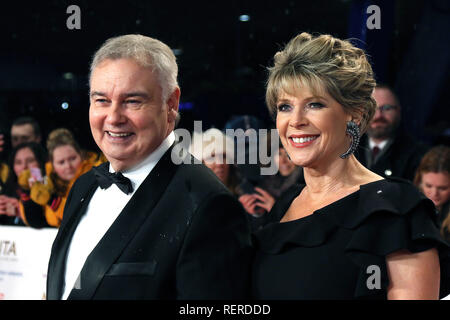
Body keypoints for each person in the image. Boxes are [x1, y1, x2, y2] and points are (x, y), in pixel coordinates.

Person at [46, 34, 252, 300]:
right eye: (101, 100)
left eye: (132, 101)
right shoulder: (83, 186)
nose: (113, 117)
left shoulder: (208, 205)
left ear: (171, 104)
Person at [252, 32, 449, 299]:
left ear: (353, 114)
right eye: (285, 107)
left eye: (314, 104)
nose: (295, 121)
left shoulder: (397, 209)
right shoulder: (285, 204)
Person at [20, 128, 104, 228]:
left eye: (72, 159)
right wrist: (27, 192)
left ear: (81, 155)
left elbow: (80, 217)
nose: (68, 166)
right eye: (61, 162)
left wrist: (51, 200)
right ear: (53, 165)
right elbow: (34, 221)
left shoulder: (97, 175)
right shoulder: (45, 176)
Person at [355, 84, 428, 181]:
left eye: (387, 108)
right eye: (372, 108)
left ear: (398, 111)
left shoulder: (418, 155)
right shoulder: (346, 148)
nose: (378, 115)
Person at [0, 142, 47, 226]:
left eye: (30, 161)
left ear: (41, 163)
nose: (24, 166)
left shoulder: (51, 188)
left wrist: (21, 210)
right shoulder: (8, 190)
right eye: (18, 162)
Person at [413, 145, 450, 242]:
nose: (434, 193)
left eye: (443, 188)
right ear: (420, 181)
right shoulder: (411, 206)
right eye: (428, 186)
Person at [190, 128, 241, 196]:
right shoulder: (191, 203)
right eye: (211, 157)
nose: (219, 163)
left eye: (223, 156)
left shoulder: (245, 198)